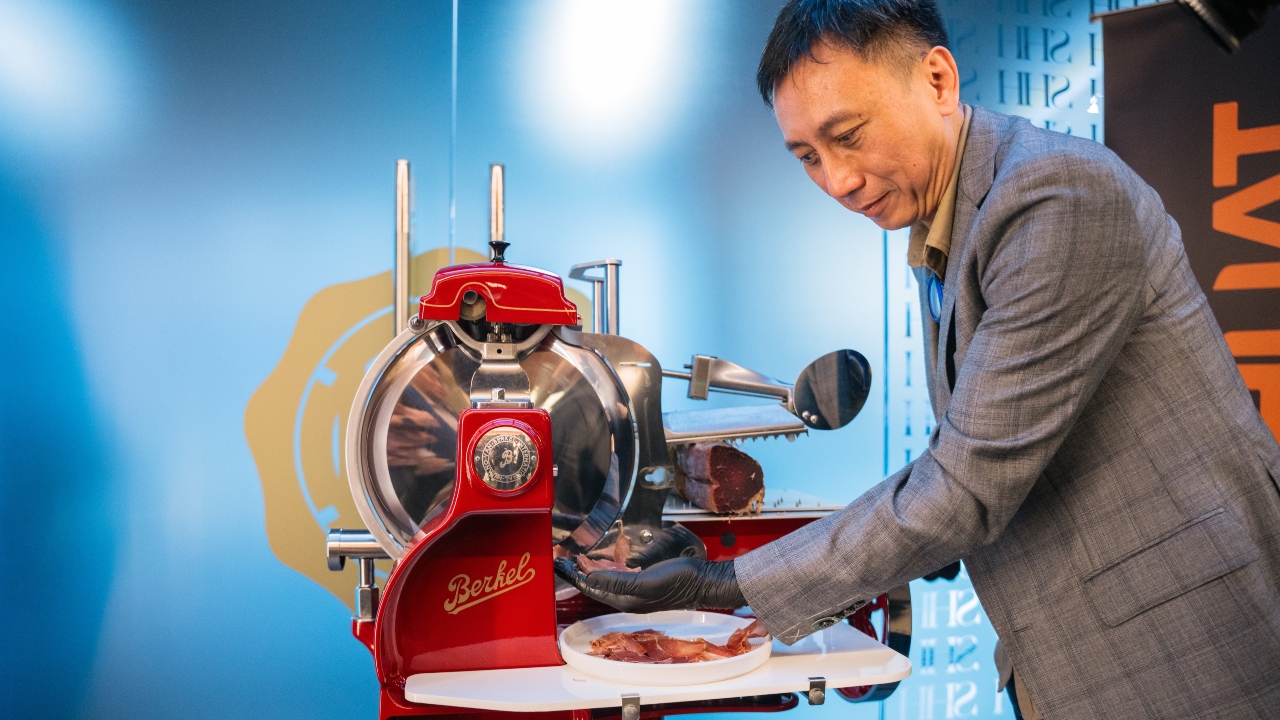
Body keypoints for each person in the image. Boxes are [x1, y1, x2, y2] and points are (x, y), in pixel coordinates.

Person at [556, 0, 1280, 716]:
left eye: (849, 136)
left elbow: (966, 486)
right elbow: (991, 453)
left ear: (937, 80)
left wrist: (721, 583)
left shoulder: (1055, 197)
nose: (837, 181)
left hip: (1182, 650)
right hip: (1074, 646)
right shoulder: (950, 225)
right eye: (808, 156)